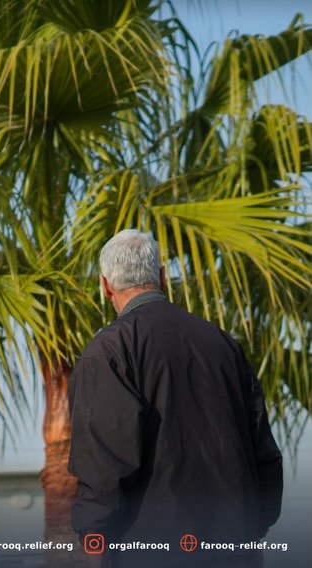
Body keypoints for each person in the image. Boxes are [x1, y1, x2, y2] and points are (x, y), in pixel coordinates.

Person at [68, 229, 283, 567]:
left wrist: (92, 533)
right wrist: (255, 525)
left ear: (105, 285)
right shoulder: (223, 344)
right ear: (162, 277)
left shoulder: (109, 352)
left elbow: (104, 462)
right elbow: (263, 449)